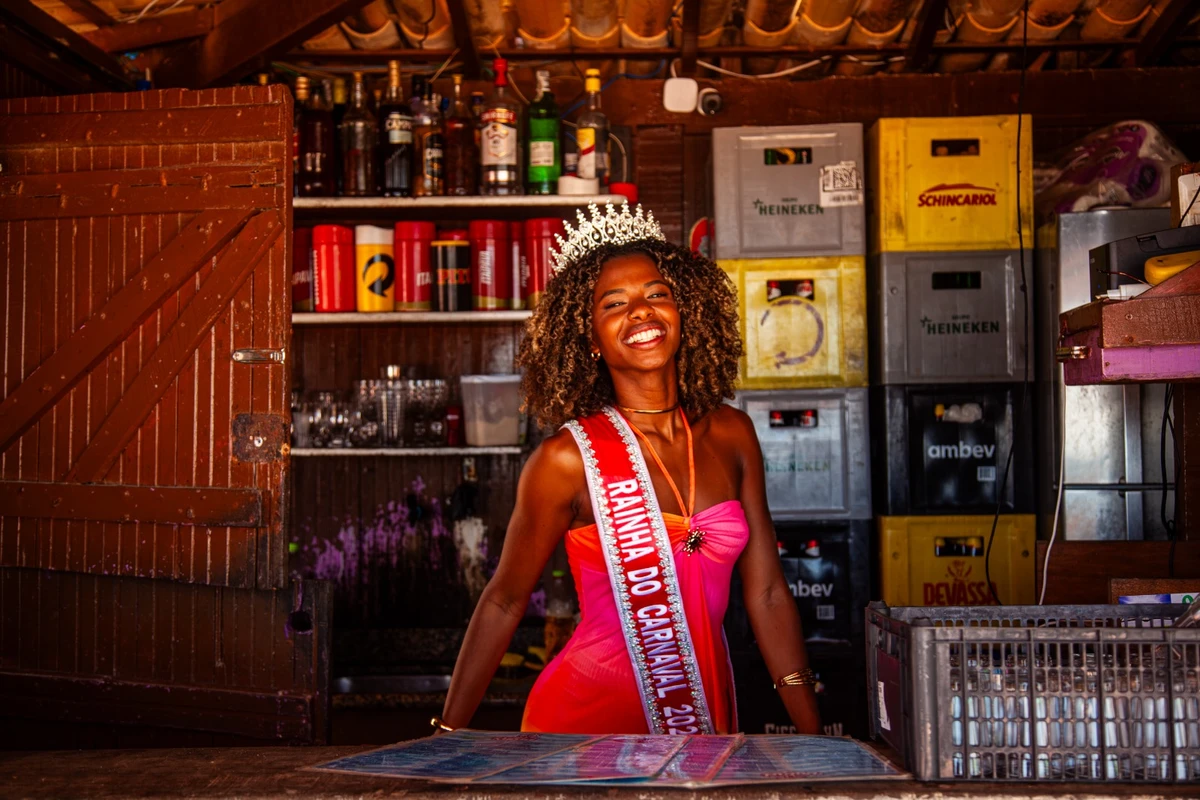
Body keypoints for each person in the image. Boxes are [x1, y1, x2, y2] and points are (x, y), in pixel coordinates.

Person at [435, 204, 820, 736]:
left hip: (704, 713)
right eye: (614, 304)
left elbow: (769, 593)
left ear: (683, 311)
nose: (641, 312)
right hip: (583, 724)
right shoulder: (565, 460)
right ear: (590, 338)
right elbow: (504, 599)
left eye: (656, 294)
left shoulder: (732, 434)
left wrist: (811, 730)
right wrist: (445, 732)